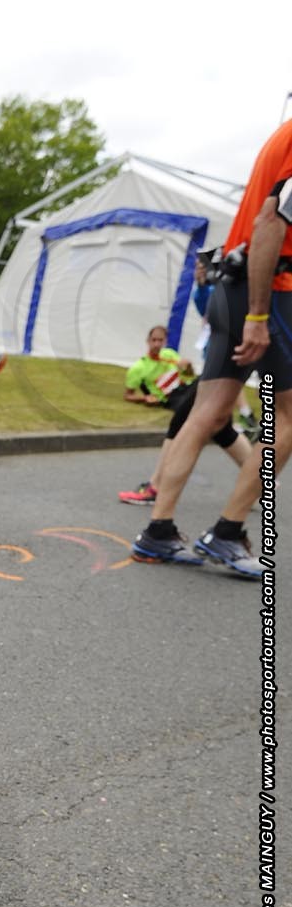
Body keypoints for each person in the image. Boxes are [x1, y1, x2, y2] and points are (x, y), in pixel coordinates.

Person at [132, 119, 292, 577]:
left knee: (209, 412)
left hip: (233, 280)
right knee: (289, 417)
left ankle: (158, 531)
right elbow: (270, 222)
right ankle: (227, 531)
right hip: (270, 289)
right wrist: (258, 316)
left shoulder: (284, 134)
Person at [117, 379, 252, 503]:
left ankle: (157, 486)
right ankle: (257, 482)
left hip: (218, 375)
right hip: (218, 374)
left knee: (181, 421)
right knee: (223, 431)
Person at [123, 325, 194, 405]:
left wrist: (189, 367)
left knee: (201, 382)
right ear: (148, 341)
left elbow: (189, 374)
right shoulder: (138, 367)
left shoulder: (170, 354)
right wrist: (145, 398)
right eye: (154, 340)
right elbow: (128, 395)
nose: (156, 344)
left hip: (185, 390)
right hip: (170, 399)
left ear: (165, 341)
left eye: (160, 340)